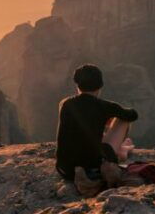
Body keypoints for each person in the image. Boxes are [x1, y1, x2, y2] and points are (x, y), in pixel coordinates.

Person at [55, 64, 138, 193]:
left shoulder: (66, 104)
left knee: (88, 131)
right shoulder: (105, 106)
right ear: (100, 86)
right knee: (123, 120)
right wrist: (112, 113)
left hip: (65, 169)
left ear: (77, 85)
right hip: (92, 167)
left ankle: (124, 148)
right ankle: (122, 151)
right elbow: (132, 115)